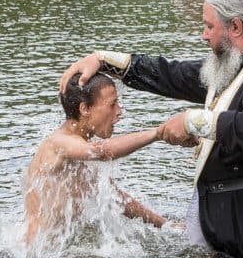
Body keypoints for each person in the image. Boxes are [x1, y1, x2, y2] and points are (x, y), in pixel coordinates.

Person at [59, 0, 243, 258]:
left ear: (235, 27)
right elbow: (173, 74)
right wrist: (103, 61)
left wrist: (193, 121)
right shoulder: (234, 64)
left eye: (209, 26)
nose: (203, 35)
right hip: (241, 224)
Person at [25, 73, 166, 246]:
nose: (119, 111)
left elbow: (119, 199)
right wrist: (159, 133)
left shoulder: (77, 152)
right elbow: (102, 151)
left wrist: (166, 225)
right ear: (84, 109)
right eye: (112, 105)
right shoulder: (59, 142)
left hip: (54, 253)